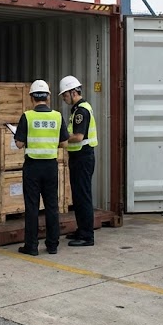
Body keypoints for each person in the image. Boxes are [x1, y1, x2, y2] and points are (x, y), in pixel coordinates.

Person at [13, 80, 69, 256]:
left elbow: (19, 144)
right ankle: (52, 245)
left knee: (32, 207)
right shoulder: (57, 116)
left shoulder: (27, 117)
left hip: (32, 167)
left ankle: (31, 246)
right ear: (48, 97)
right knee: (52, 206)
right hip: (51, 166)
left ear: (31, 97)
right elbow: (64, 143)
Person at [59, 75, 97, 247]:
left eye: (65, 95)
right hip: (79, 158)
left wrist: (61, 141)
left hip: (82, 158)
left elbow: (78, 136)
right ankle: (82, 229)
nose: (64, 99)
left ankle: (87, 235)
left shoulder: (81, 111)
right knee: (79, 196)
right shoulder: (78, 109)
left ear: (73, 92)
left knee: (83, 197)